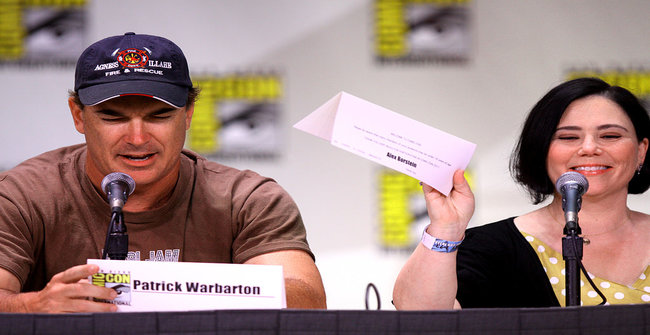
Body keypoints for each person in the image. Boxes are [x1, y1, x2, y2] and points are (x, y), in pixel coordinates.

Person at [0, 32, 326, 313]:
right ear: (78, 116)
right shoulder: (23, 195)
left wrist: (185, 293)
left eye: (159, 116)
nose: (138, 138)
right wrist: (33, 306)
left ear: (188, 115)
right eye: (113, 118)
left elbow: (306, 299)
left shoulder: (247, 200)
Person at [393, 77, 650, 309]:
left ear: (641, 151)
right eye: (569, 137)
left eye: (610, 135)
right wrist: (446, 229)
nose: (590, 148)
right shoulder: (494, 248)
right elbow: (421, 319)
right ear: (541, 150)